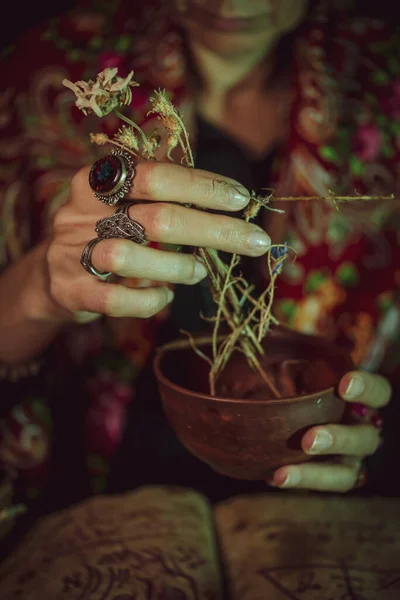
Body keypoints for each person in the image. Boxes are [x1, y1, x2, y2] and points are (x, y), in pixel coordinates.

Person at [0, 0, 398, 516]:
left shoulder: (384, 83)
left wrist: (373, 438)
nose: (231, 3)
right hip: (94, 496)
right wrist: (40, 287)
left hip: (316, 508)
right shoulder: (41, 74)